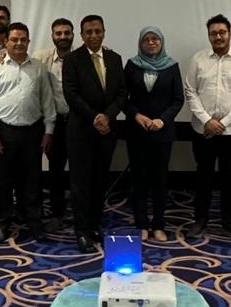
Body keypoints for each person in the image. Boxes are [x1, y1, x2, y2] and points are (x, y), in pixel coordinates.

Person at [0, 23, 55, 241]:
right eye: (14, 39)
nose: (19, 43)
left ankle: (33, 221)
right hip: (4, 131)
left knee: (32, 179)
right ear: (6, 42)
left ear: (28, 42)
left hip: (33, 130)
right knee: (2, 180)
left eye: (23, 39)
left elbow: (47, 100)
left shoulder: (38, 68)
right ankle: (2, 222)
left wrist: (49, 130)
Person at [184, 14, 231, 239]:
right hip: (203, 130)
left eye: (222, 32)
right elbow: (190, 92)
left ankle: (228, 222)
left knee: (228, 178)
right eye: (214, 33)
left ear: (230, 34)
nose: (218, 37)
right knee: (203, 177)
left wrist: (222, 123)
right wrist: (207, 120)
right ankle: (200, 220)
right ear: (209, 36)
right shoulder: (198, 59)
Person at [62, 15, 127, 253]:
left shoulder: (114, 58)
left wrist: (107, 116)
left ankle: (95, 224)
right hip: (81, 131)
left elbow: (121, 93)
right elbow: (71, 94)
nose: (93, 35)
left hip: (106, 131)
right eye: (88, 32)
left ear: (104, 32)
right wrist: (95, 117)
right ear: (82, 35)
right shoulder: (72, 59)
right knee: (81, 184)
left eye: (97, 31)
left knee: (99, 182)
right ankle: (82, 231)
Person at [122, 26, 184, 242]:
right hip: (137, 131)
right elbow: (122, 98)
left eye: (155, 38)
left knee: (160, 179)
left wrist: (162, 120)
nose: (150, 42)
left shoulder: (172, 66)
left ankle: (158, 224)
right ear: (140, 43)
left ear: (161, 41)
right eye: (146, 39)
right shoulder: (132, 65)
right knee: (139, 179)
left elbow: (178, 99)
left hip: (162, 132)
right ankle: (141, 224)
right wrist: (137, 116)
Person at [33, 18, 74, 229]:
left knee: (79, 170)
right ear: (52, 36)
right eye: (58, 33)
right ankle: (57, 214)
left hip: (77, 123)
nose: (63, 37)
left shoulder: (81, 58)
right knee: (56, 171)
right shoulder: (40, 58)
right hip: (53, 123)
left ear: (73, 35)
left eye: (66, 33)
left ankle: (80, 213)